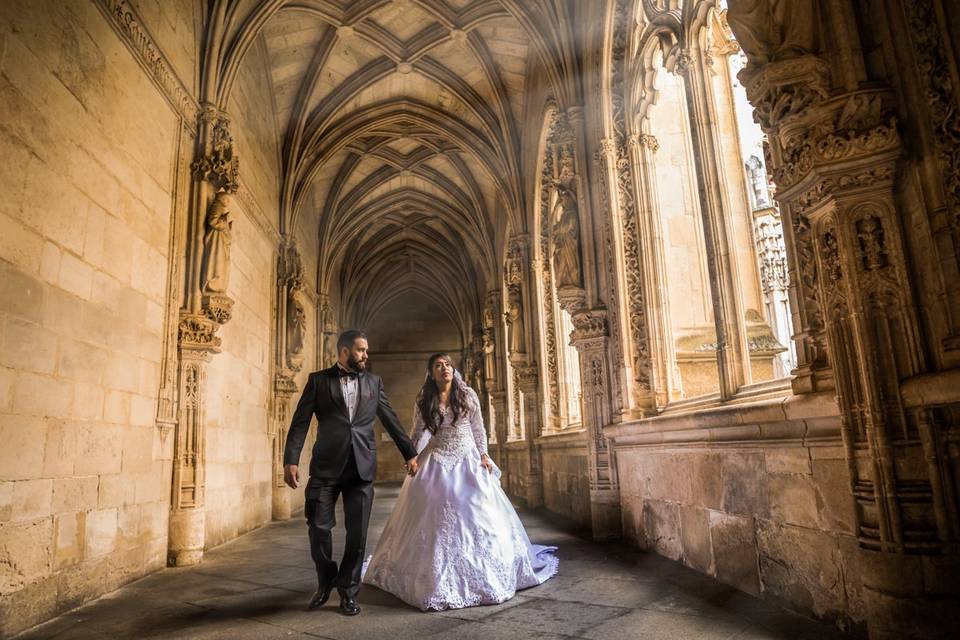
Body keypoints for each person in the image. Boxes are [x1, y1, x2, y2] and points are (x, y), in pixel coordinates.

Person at [362, 353, 558, 610]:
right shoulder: (425, 399)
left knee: (478, 510)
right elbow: (418, 431)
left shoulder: (467, 395)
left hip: (467, 458)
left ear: (454, 370)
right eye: (439, 366)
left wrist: (485, 455)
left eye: (448, 365)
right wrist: (411, 456)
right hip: (436, 458)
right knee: (430, 510)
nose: (445, 369)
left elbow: (479, 429)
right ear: (431, 373)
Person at [283, 329, 419, 616]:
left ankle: (348, 590)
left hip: (362, 467)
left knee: (357, 535)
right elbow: (299, 422)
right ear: (344, 351)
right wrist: (290, 460)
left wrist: (409, 452)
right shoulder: (318, 381)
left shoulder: (373, 382)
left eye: (366, 350)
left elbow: (390, 418)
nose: (366, 355)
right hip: (326, 468)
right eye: (360, 350)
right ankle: (326, 580)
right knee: (318, 527)